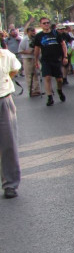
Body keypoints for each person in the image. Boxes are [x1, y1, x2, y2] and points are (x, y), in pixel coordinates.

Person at [33, 17, 68, 107]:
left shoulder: (56, 33)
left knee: (59, 79)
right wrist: (36, 60)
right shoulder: (39, 36)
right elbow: (37, 49)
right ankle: (50, 97)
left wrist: (65, 56)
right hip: (45, 60)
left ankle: (59, 91)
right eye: (44, 23)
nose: (46, 24)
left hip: (56, 59)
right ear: (40, 25)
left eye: (48, 22)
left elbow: (63, 45)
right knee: (47, 78)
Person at [0, 47, 21, 199]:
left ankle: (10, 184)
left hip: (3, 100)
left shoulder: (6, 55)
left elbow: (14, 70)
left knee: (8, 144)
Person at [17, 27, 40, 97]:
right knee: (29, 75)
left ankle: (37, 90)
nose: (33, 33)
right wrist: (28, 52)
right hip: (27, 59)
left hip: (35, 58)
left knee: (36, 74)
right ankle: (31, 90)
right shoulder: (24, 40)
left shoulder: (35, 39)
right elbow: (20, 50)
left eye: (34, 31)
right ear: (28, 32)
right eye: (31, 31)